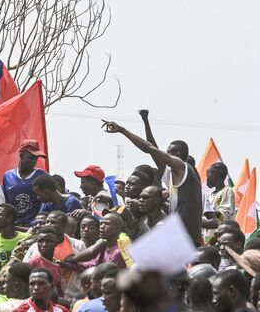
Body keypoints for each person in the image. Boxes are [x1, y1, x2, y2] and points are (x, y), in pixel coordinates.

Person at [102, 118, 203, 246]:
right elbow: (153, 150)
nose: (165, 155)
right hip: (176, 236)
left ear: (177, 155)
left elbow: (150, 149)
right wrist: (146, 122)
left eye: (168, 153)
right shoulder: (171, 174)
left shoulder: (182, 167)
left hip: (187, 237)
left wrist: (122, 130)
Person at [23, 211, 85, 299]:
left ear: (64, 226)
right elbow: (25, 269)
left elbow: (86, 267)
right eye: (47, 222)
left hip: (74, 294)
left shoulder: (78, 245)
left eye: (53, 222)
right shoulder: (34, 247)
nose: (48, 224)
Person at [1, 140, 49, 226]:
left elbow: (56, 196)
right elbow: (5, 203)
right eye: (31, 157)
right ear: (21, 154)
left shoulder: (42, 176)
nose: (34, 161)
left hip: (33, 227)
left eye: (36, 158)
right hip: (13, 226)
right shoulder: (8, 176)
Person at [26, 227, 63, 296]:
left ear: (56, 243)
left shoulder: (57, 266)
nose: (44, 244)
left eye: (49, 241)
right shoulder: (32, 264)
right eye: (40, 241)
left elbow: (59, 291)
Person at [203, 162, 235, 238]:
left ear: (215, 175)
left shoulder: (227, 191)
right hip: (208, 237)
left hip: (222, 236)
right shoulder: (208, 195)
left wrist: (209, 214)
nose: (206, 179)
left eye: (208, 175)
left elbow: (226, 213)